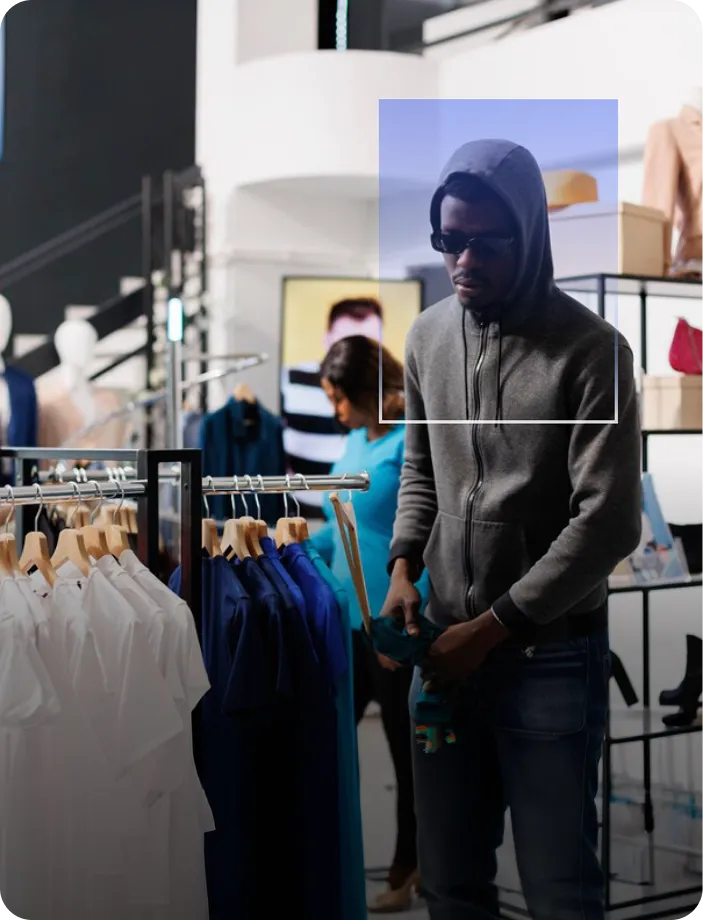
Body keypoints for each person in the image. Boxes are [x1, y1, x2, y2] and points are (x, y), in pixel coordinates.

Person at [382, 139, 642, 920]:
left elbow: (608, 521)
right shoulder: (427, 336)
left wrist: (493, 629)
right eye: (447, 240)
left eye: (482, 242)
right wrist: (402, 567)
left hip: (547, 656)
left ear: (526, 237)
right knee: (451, 882)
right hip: (443, 646)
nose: (461, 259)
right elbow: (420, 470)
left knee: (558, 888)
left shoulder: (590, 350)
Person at [309, 334, 429, 913]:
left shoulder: (413, 442)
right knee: (326, 740)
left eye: (340, 399)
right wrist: (288, 549)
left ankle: (411, 864)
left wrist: (407, 622)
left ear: (365, 391)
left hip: (393, 619)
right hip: (345, 618)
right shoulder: (356, 441)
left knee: (407, 754)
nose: (336, 413)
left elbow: (423, 532)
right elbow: (339, 524)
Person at [280, 297, 383, 520]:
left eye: (366, 348)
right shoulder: (289, 379)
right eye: (346, 346)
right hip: (300, 512)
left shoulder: (391, 406)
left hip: (363, 516)